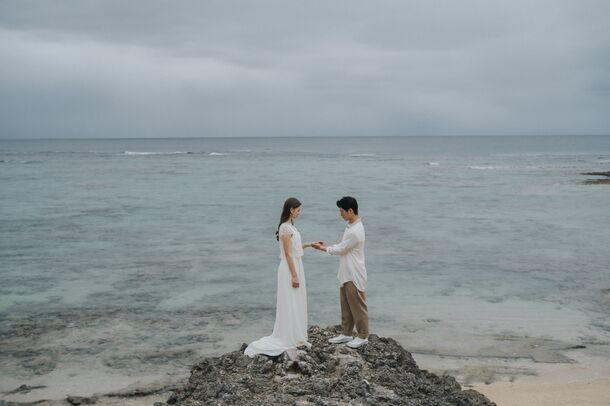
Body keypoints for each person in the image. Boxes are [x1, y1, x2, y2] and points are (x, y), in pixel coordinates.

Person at [244, 197, 315, 357]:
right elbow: (288, 254)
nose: (299, 213)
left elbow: (294, 248)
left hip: (296, 265)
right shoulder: (285, 228)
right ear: (291, 209)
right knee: (289, 300)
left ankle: (296, 333)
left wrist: (309, 244)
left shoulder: (291, 227)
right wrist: (294, 275)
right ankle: (287, 334)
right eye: (298, 210)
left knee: (296, 300)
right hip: (290, 268)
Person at [313, 196, 368, 348]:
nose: (340, 214)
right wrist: (329, 246)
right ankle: (346, 333)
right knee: (346, 304)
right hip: (346, 271)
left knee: (357, 305)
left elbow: (343, 249)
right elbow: (345, 246)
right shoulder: (351, 226)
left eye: (342, 211)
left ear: (350, 211)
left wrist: (324, 248)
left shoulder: (356, 230)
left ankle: (363, 335)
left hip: (354, 273)